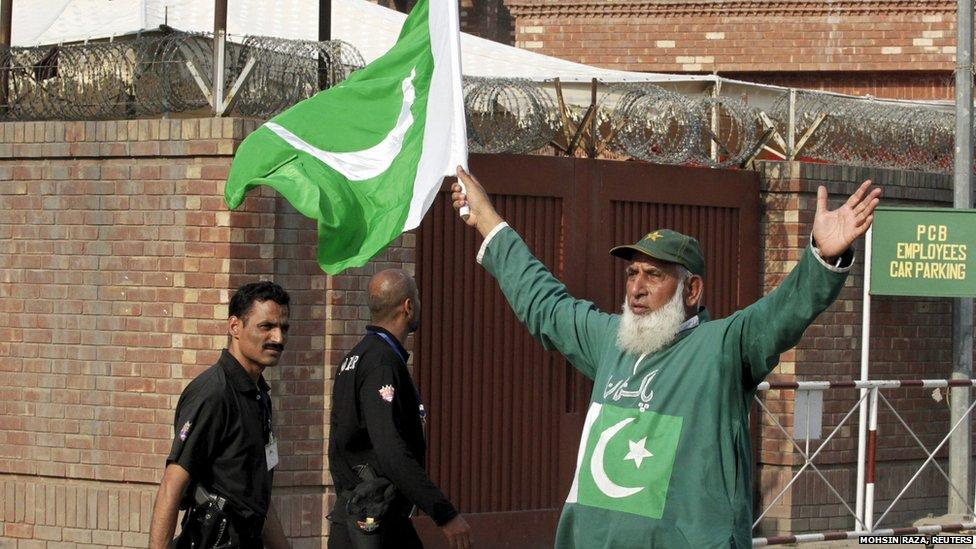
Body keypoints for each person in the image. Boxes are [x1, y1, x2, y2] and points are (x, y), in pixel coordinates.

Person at [451, 167, 880, 549]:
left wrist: (822, 258)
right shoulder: (611, 341)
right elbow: (544, 302)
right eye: (631, 273)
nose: (636, 288)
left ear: (691, 290)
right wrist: (488, 221)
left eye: (654, 275)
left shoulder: (723, 347)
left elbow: (784, 312)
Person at [327, 269, 473, 549]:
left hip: (359, 515)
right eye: (416, 297)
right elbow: (390, 447)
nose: (419, 304)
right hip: (374, 522)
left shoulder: (353, 358)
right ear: (408, 306)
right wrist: (444, 513)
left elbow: (338, 443)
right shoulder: (381, 363)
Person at [149, 281, 292, 549]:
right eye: (266, 327)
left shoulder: (258, 395)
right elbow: (172, 484)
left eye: (283, 328)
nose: (278, 338)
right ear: (234, 327)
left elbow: (258, 495)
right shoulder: (213, 393)